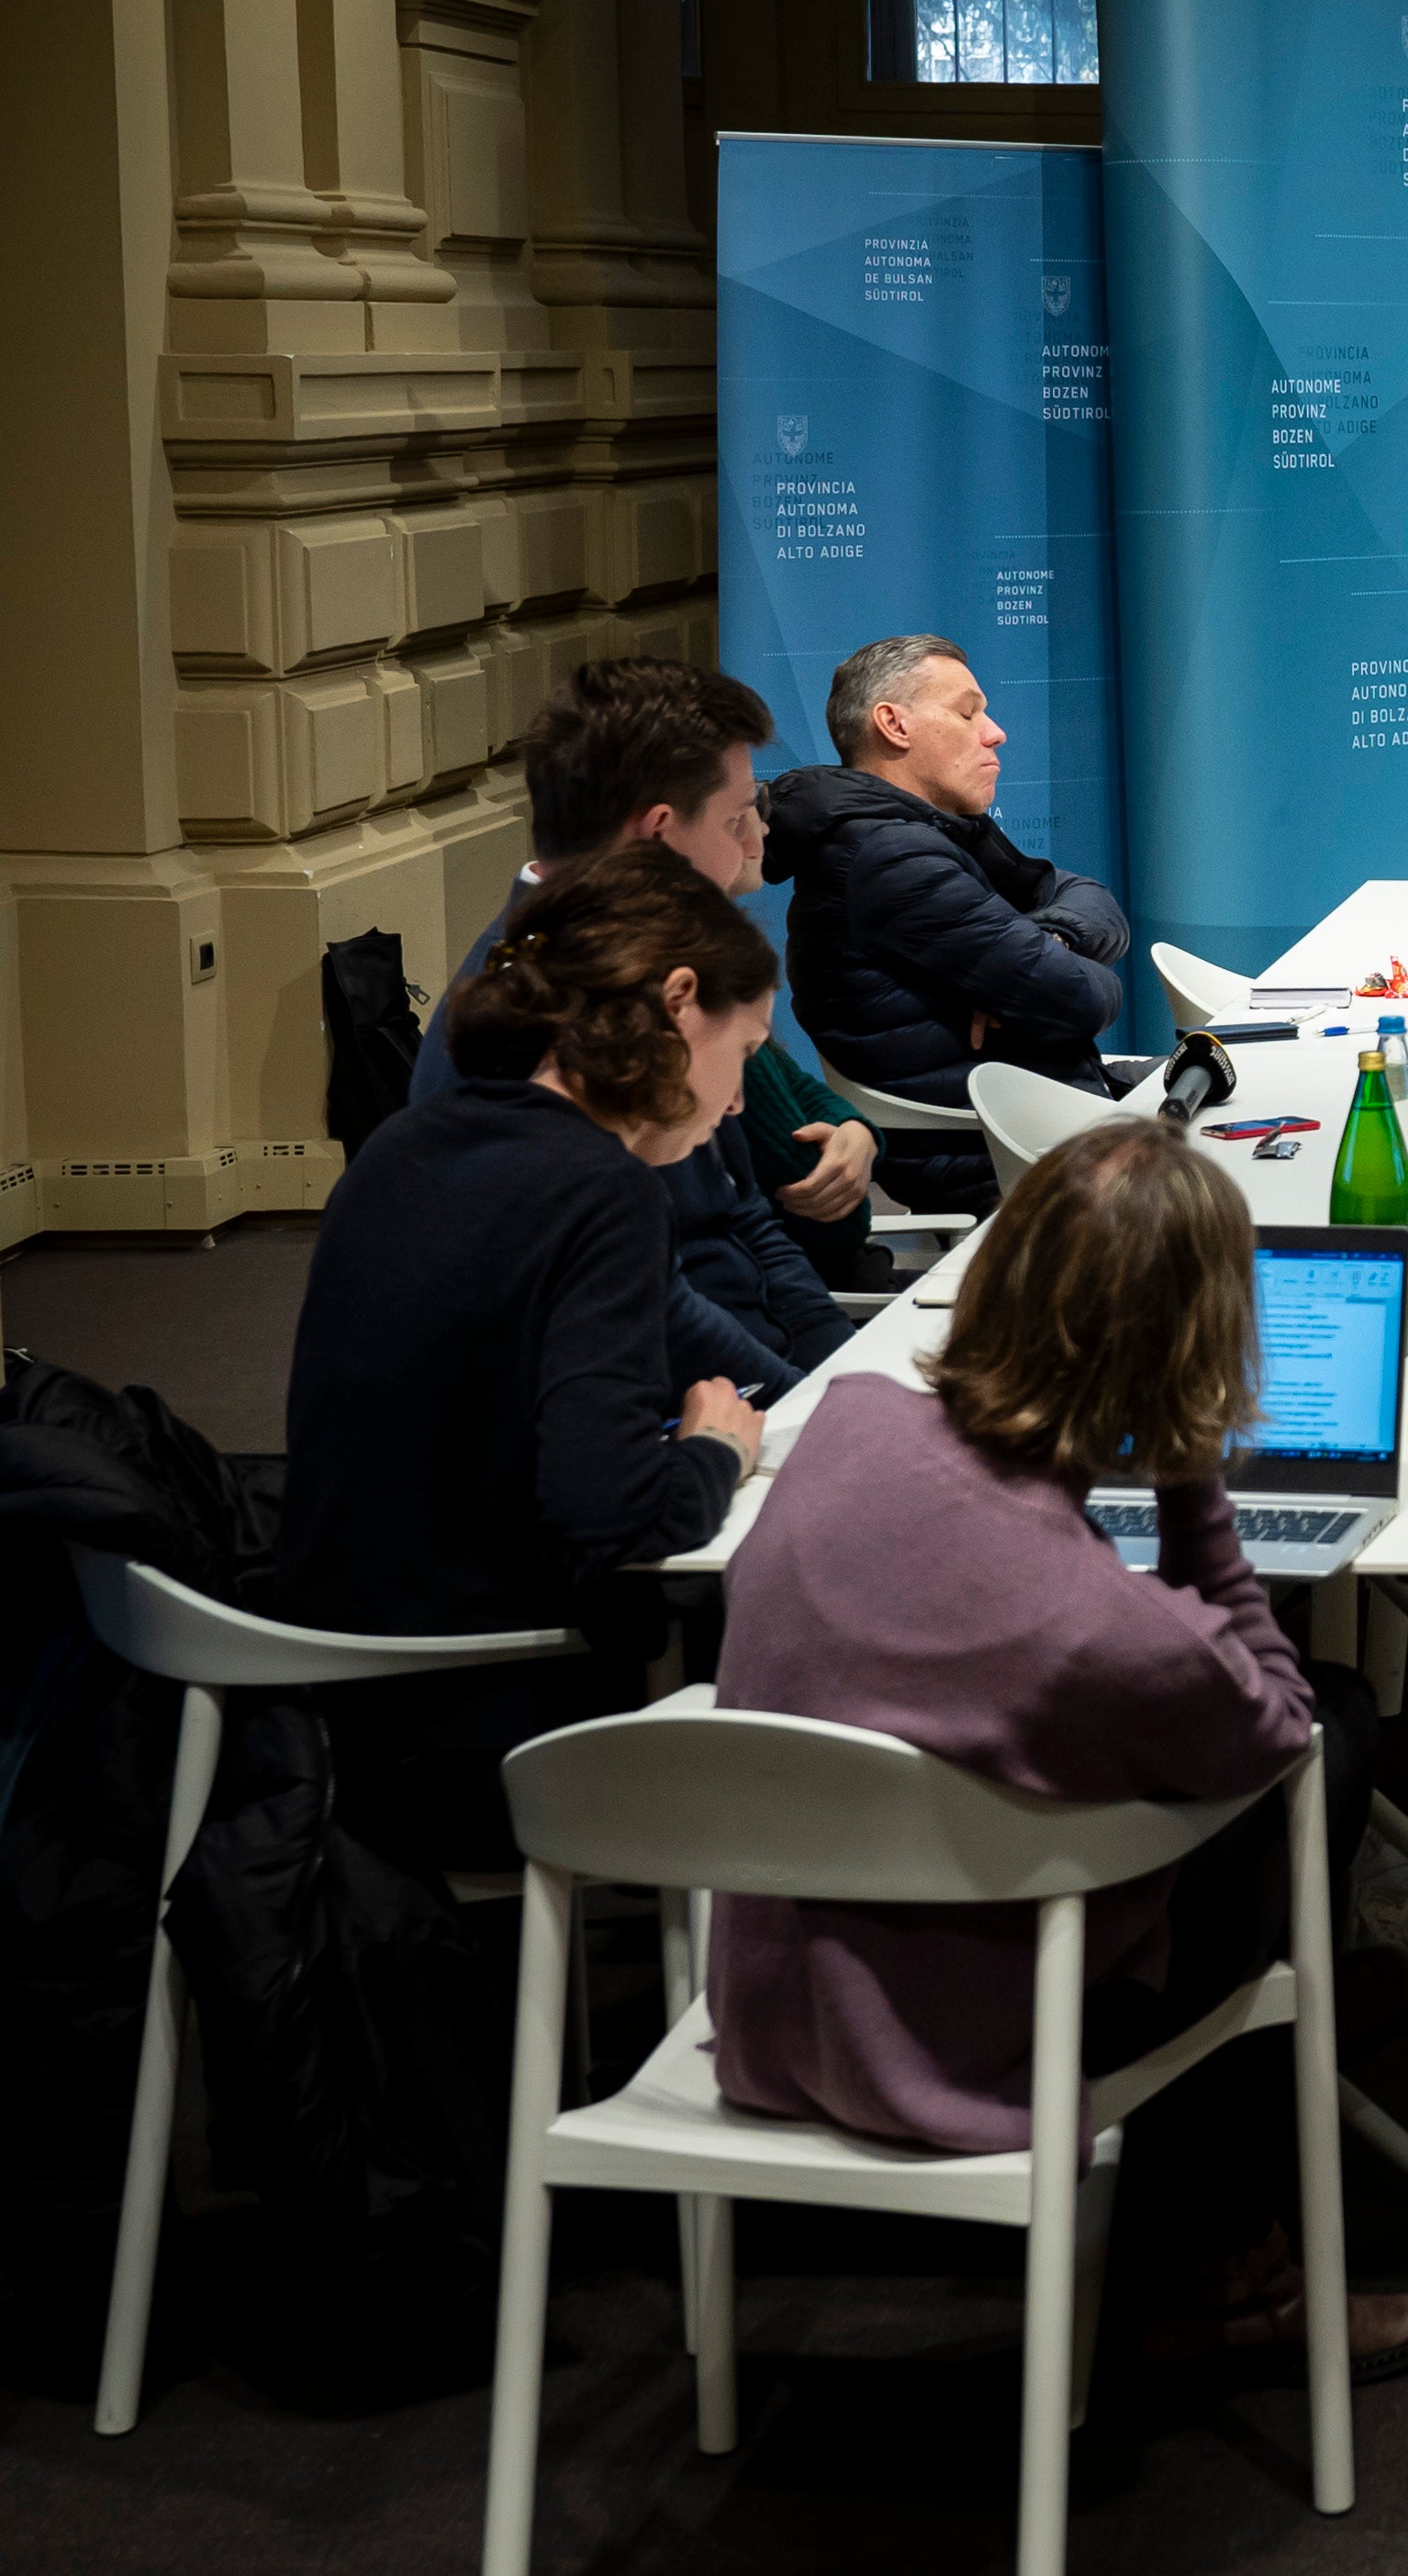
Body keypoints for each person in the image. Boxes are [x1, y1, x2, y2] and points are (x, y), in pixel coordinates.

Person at [710, 1119, 1408, 2382]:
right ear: (1192, 1360)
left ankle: (1316, 1993)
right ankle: (1226, 2273)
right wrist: (1192, 1480)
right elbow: (1271, 1718)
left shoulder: (849, 1424)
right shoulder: (1102, 1628)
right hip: (959, 2049)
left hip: (772, 2005)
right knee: (1334, 1730)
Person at [268, 844, 773, 1870]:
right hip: (484, 1716)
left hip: (318, 1694)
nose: (735, 1102)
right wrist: (716, 1448)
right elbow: (612, 1515)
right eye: (745, 1051)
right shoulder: (603, 1192)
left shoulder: (403, 1147)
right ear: (681, 1003)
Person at [416, 658, 867, 1398]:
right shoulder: (525, 1027)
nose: (755, 841)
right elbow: (655, 1312)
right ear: (659, 835)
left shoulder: (652, 976)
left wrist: (845, 1375)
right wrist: (821, 1409)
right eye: (734, 818)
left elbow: (742, 1213)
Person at [764, 633, 1133, 1204]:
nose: (994, 732)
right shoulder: (894, 858)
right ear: (894, 725)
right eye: (967, 712)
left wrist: (1050, 936)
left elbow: (1088, 896)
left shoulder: (932, 832)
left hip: (1047, 1117)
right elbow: (1086, 1001)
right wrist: (1052, 965)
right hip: (1005, 1157)